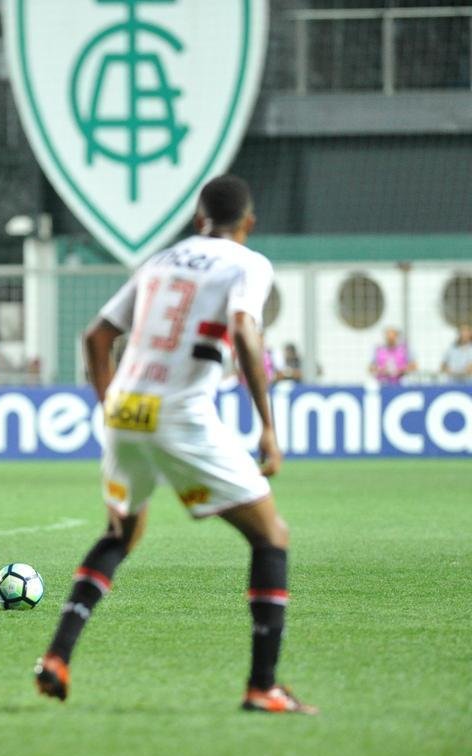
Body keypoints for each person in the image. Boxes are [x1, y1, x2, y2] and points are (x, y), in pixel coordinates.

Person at [33, 175, 316, 715]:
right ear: (249, 223)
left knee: (121, 532)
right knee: (271, 536)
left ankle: (57, 656)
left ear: (197, 220)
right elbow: (244, 330)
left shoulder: (160, 261)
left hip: (125, 410)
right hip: (181, 413)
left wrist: (109, 406)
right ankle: (263, 686)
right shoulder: (249, 263)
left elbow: (96, 336)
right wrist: (268, 425)